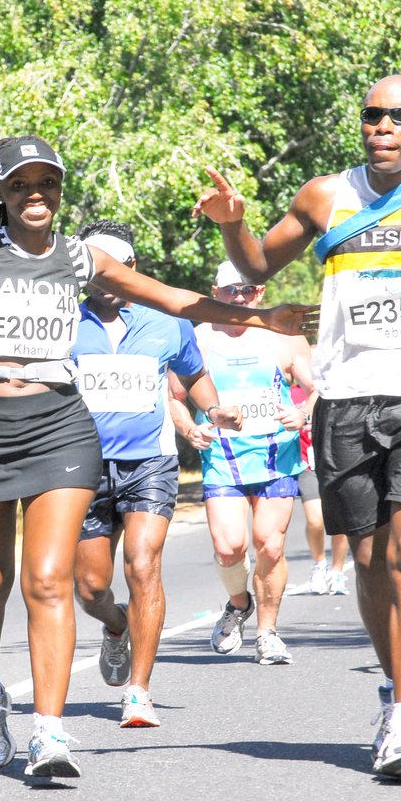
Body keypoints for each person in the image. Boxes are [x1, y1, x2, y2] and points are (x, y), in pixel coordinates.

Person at [0, 135, 313, 781]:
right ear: (0, 192)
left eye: (47, 183)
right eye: (20, 184)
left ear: (59, 191)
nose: (36, 194)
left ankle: (48, 733)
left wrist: (262, 319)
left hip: (58, 425)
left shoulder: (81, 258)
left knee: (49, 580)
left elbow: (174, 299)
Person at [191, 74, 401, 778]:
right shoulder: (326, 194)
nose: (383, 127)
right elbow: (258, 263)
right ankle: (396, 693)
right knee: (370, 559)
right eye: (373, 115)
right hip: (345, 397)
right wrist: (232, 222)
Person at [71, 220, 242, 729]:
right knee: (89, 588)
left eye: (111, 266)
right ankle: (116, 624)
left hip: (150, 461)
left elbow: (194, 375)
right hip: (80, 466)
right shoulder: (63, 320)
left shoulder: (168, 320)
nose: (102, 276)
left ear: (131, 267)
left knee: (143, 565)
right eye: (92, 267)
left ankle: (139, 692)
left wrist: (215, 410)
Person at [168, 261, 314, 666]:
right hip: (223, 459)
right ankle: (238, 603)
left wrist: (304, 413)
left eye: (248, 289)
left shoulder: (284, 336)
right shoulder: (198, 339)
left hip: (276, 457)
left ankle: (268, 633)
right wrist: (188, 429)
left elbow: (316, 387)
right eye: (231, 290)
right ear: (215, 292)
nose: (240, 297)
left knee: (271, 544)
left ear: (260, 293)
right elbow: (174, 396)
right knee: (229, 546)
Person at [290, 381, 350, 596]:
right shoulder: (291, 393)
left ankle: (337, 571)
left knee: (340, 521)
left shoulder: (335, 389)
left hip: (335, 462)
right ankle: (319, 564)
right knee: (315, 519)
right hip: (307, 464)